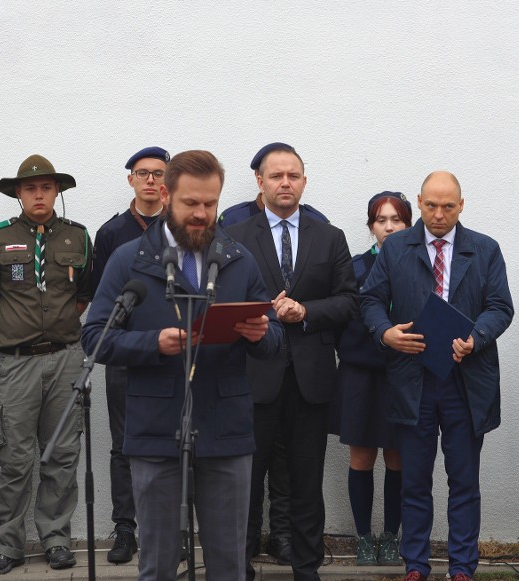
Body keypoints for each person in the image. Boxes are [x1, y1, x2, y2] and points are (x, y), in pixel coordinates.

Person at [81, 149, 282, 581]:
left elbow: (276, 338)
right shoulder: (129, 259)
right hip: (155, 427)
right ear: (168, 195)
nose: (201, 213)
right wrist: (152, 343)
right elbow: (95, 337)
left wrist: (260, 333)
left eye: (210, 203)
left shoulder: (239, 260)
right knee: (157, 564)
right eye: (191, 203)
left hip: (226, 428)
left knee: (229, 564)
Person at [360, 170, 514, 581]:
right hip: (413, 378)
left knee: (464, 480)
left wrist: (475, 337)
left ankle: (462, 567)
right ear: (420, 201)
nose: (439, 214)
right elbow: (371, 300)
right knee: (414, 480)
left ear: (462, 205)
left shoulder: (484, 249)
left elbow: (500, 306)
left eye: (448, 206)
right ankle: (415, 565)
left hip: (466, 379)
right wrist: (385, 332)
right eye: (431, 205)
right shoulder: (396, 249)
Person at [226, 142, 359, 581]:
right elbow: (224, 301)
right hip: (251, 377)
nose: (286, 182)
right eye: (276, 175)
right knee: (245, 483)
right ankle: (238, 567)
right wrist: (265, 312)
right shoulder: (236, 237)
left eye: (294, 175)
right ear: (260, 182)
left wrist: (307, 311)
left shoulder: (330, 237)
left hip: (310, 379)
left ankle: (307, 568)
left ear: (304, 181)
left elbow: (348, 303)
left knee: (306, 483)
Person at [0, 154, 92, 574]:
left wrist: (56, 330)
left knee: (62, 453)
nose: (38, 194)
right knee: (15, 458)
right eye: (30, 188)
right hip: (16, 364)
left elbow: (84, 296)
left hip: (65, 360)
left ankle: (56, 538)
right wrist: (16, 332)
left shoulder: (78, 237)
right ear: (19, 194)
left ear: (56, 191)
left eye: (46, 187)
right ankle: (7, 545)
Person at [91, 146, 169, 564]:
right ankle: (126, 530)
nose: (152, 181)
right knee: (124, 444)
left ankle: (172, 530)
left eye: (159, 174)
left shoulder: (183, 229)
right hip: (123, 353)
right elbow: (103, 301)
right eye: (144, 173)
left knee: (177, 441)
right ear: (131, 180)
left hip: (174, 351)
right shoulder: (112, 233)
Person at [334, 191, 411, 566]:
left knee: (397, 456)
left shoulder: (420, 265)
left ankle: (391, 537)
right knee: (362, 456)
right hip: (361, 376)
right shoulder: (355, 268)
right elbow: (342, 322)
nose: (390, 226)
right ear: (371, 227)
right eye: (381, 220)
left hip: (403, 375)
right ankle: (363, 537)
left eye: (397, 219)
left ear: (409, 225)